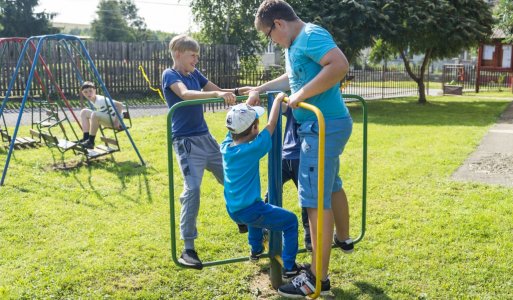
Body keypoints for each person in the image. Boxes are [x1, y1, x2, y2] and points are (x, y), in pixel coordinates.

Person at [249, 0, 354, 297]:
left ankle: (316, 279)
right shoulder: (294, 46)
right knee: (331, 185)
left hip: (322, 126)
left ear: (279, 24)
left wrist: (302, 94)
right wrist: (261, 88)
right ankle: (343, 238)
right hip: (322, 125)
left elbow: (339, 64)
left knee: (313, 200)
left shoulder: (311, 36)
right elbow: (292, 78)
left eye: (269, 35)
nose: (271, 40)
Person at [162, 34, 247, 270]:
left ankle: (243, 217)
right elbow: (185, 95)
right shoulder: (171, 75)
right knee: (193, 189)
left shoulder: (195, 75)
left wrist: (241, 91)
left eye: (197, 56)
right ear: (178, 53)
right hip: (186, 142)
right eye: (193, 55)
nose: (196, 60)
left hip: (206, 138)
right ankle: (188, 248)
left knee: (232, 178)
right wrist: (217, 94)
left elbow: (218, 91)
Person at [221, 100, 306, 279]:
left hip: (233, 209)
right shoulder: (253, 148)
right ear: (254, 129)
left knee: (256, 214)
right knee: (290, 222)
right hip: (249, 210)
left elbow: (235, 132)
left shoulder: (226, 147)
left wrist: (247, 105)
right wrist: (276, 99)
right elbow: (272, 124)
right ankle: (289, 267)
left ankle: (256, 249)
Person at [79, 81, 124, 149]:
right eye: (85, 92)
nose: (88, 94)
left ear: (95, 90)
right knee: (84, 112)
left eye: (90, 91)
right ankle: (86, 138)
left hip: (114, 120)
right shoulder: (92, 99)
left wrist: (117, 122)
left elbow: (120, 105)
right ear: (83, 93)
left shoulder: (101, 99)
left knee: (95, 114)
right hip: (107, 118)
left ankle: (91, 142)